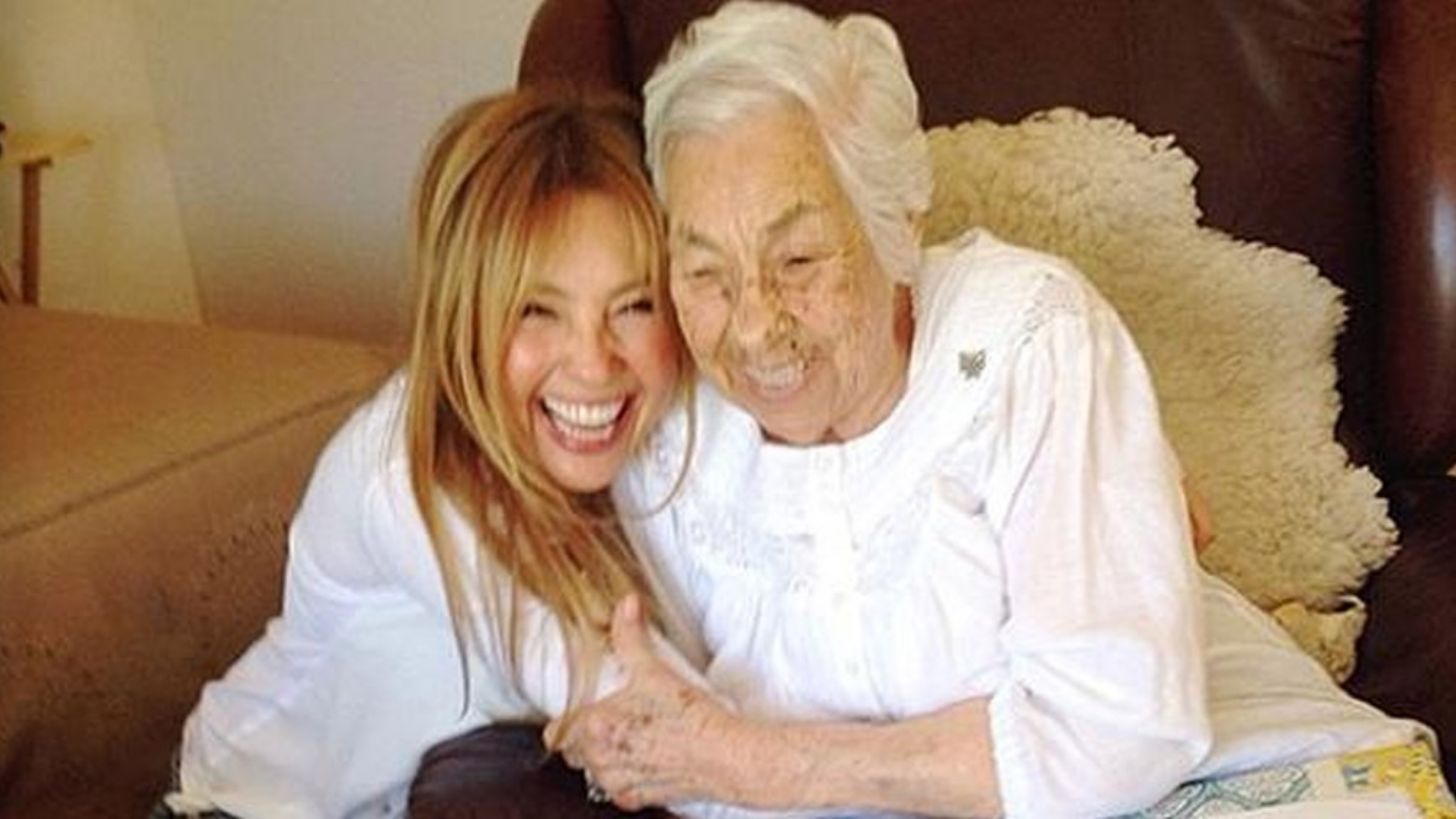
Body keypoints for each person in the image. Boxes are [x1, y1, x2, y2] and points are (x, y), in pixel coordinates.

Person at [547, 3, 1450, 817]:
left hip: (1231, 781)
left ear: (899, 226)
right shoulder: (662, 415)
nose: (753, 326)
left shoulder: (1027, 342)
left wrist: (758, 763)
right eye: (705, 271)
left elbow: (1117, 737)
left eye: (799, 261)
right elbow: (598, 674)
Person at [156, 86, 703, 818]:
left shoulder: (657, 427)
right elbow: (624, 702)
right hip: (240, 806)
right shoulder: (406, 482)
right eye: (535, 310)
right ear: (461, 319)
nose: (594, 362)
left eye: (633, 305)